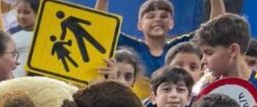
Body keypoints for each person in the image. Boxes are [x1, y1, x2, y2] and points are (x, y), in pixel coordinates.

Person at [94, 0, 225, 98]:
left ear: (172, 23)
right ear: (140, 25)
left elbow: (214, 28)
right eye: (150, 16)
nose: (157, 19)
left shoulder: (179, 49)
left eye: (164, 16)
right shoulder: (130, 47)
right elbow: (101, 26)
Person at [7, 0, 38, 77]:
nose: (21, 16)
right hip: (15, 80)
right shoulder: (9, 34)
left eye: (27, 12)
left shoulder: (43, 34)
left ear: (37, 13)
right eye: (18, 12)